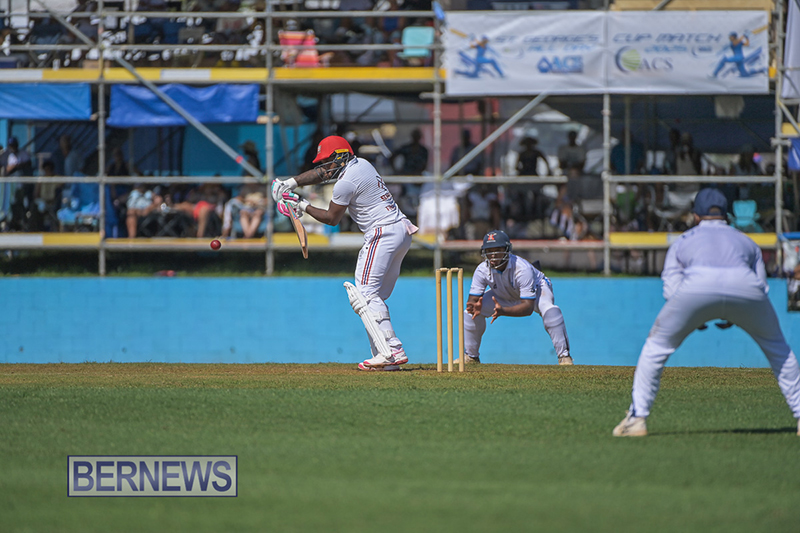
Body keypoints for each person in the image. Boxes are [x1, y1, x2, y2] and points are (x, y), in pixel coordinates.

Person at [613, 188, 800, 437]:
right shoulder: (746, 241)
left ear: (696, 216)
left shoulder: (683, 241)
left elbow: (671, 285)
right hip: (746, 288)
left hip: (695, 288)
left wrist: (692, 315)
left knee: (655, 347)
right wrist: (735, 313)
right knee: (779, 350)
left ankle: (636, 419)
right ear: (726, 215)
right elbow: (761, 286)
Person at [271, 135, 418, 371]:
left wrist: (299, 205)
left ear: (341, 157)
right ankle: (384, 357)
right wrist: (291, 182)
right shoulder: (362, 165)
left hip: (382, 233)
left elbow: (331, 218)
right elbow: (321, 174)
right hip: (402, 231)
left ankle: (392, 350)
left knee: (365, 293)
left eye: (328, 161)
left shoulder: (345, 182)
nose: (325, 168)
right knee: (374, 297)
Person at [460, 230, 573, 366]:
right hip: (502, 295)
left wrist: (503, 311)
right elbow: (472, 302)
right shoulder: (481, 270)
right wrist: (474, 306)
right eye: (489, 251)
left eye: (498, 250)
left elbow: (528, 308)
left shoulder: (522, 268)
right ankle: (471, 357)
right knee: (468, 314)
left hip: (537, 291)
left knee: (550, 311)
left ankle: (564, 357)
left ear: (507, 250)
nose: (493, 255)